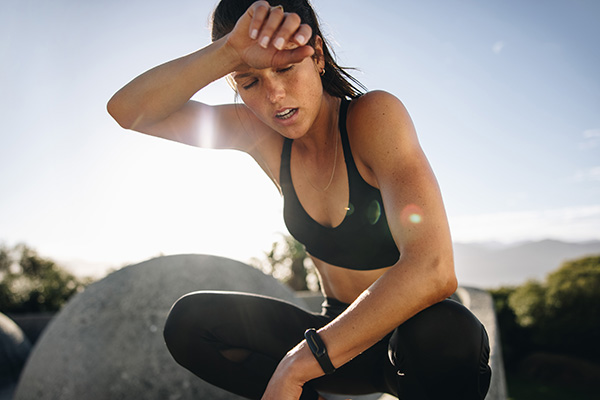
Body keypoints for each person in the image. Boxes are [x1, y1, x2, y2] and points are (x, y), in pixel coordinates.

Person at [107, 1, 492, 399]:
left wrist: (298, 365)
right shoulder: (256, 133)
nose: (274, 95)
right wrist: (228, 52)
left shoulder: (373, 117)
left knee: (448, 330)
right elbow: (128, 111)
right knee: (190, 323)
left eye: (285, 68)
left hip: (409, 350)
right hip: (336, 338)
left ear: (318, 56)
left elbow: (434, 268)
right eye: (249, 81)